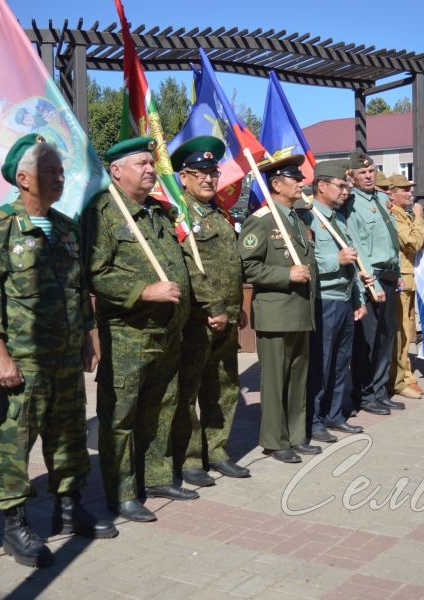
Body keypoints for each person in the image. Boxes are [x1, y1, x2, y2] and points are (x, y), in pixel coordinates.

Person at [0, 135, 117, 568]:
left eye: (61, 171)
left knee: (69, 436)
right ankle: (15, 526)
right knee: (15, 442)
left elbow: (78, 288)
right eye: (51, 171)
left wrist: (89, 338)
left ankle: (68, 509)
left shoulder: (67, 228)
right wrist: (0, 355)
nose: (60, 178)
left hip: (67, 357)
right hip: (23, 360)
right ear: (23, 178)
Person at [82, 137, 195, 524]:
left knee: (162, 406)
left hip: (166, 332)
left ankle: (159, 476)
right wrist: (144, 291)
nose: (150, 169)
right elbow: (94, 274)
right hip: (129, 333)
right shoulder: (102, 213)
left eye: (151, 162)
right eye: (141, 163)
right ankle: (122, 491)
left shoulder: (157, 213)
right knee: (121, 415)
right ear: (116, 171)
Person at [169, 136, 250, 487]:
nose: (208, 179)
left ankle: (216, 450)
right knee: (189, 390)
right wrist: (212, 307)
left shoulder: (219, 213)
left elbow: (232, 266)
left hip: (227, 317)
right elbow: (186, 267)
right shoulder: (179, 214)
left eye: (212, 173)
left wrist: (236, 308)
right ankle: (189, 459)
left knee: (224, 387)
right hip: (198, 320)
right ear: (182, 177)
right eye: (198, 173)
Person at [238, 155, 318, 463]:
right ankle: (274, 438)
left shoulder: (296, 218)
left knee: (297, 378)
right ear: (276, 183)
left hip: (300, 311)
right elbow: (246, 266)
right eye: (294, 178)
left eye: (300, 178)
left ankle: (296, 434)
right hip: (275, 314)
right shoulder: (262, 220)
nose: (301, 182)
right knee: (274, 380)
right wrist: (286, 275)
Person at [304, 159, 368, 444]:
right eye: (341, 186)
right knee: (322, 363)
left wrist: (358, 298)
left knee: (341, 363)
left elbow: (353, 262)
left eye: (346, 186)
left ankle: (334, 414)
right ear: (321, 186)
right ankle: (315, 419)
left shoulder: (339, 218)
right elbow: (308, 261)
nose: (345, 192)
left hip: (344, 298)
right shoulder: (308, 218)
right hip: (323, 298)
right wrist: (335, 260)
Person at [340, 153, 403, 413]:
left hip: (389, 275)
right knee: (367, 341)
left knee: (386, 339)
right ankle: (364, 395)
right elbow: (357, 245)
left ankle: (380, 391)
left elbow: (390, 242)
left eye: (371, 171)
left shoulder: (382, 198)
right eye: (362, 173)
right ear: (352, 177)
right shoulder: (352, 203)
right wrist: (372, 284)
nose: (368, 176)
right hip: (370, 278)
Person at [385, 173, 424, 397]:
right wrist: (419, 217)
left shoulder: (404, 215)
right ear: (391, 194)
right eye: (404, 190)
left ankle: (405, 375)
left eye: (410, 189)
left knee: (407, 330)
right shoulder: (396, 215)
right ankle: (400, 379)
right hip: (401, 279)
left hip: (409, 279)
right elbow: (414, 242)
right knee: (401, 332)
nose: (410, 193)